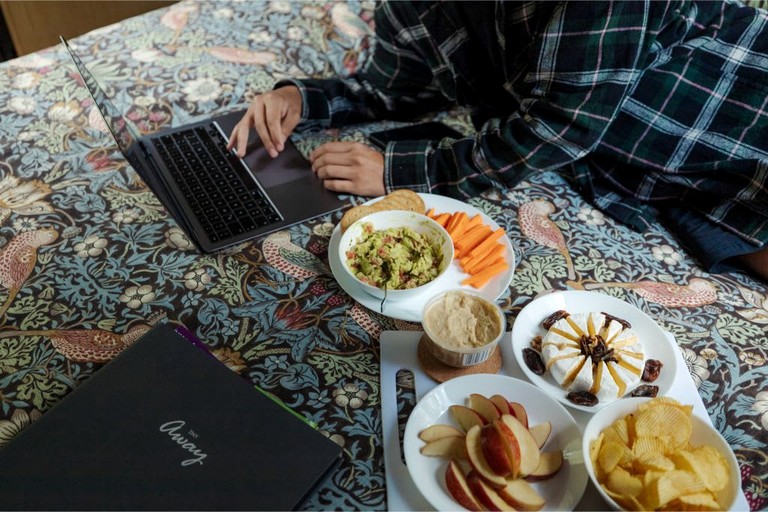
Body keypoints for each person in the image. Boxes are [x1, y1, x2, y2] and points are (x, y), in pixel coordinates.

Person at [227, 1, 768, 281]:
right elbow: (396, 89)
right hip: (644, 173)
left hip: (734, 118)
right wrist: (303, 99)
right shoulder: (412, 9)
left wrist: (399, 168)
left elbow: (558, 128)